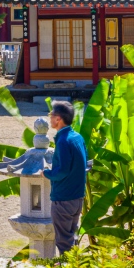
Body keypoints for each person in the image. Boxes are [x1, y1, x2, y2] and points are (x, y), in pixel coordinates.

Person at [43, 100, 88, 254]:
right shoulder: (77, 137)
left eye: (51, 115)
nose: (50, 118)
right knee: (72, 239)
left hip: (63, 199)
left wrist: (46, 173)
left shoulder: (63, 141)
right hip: (77, 198)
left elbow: (62, 171)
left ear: (58, 118)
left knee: (64, 243)